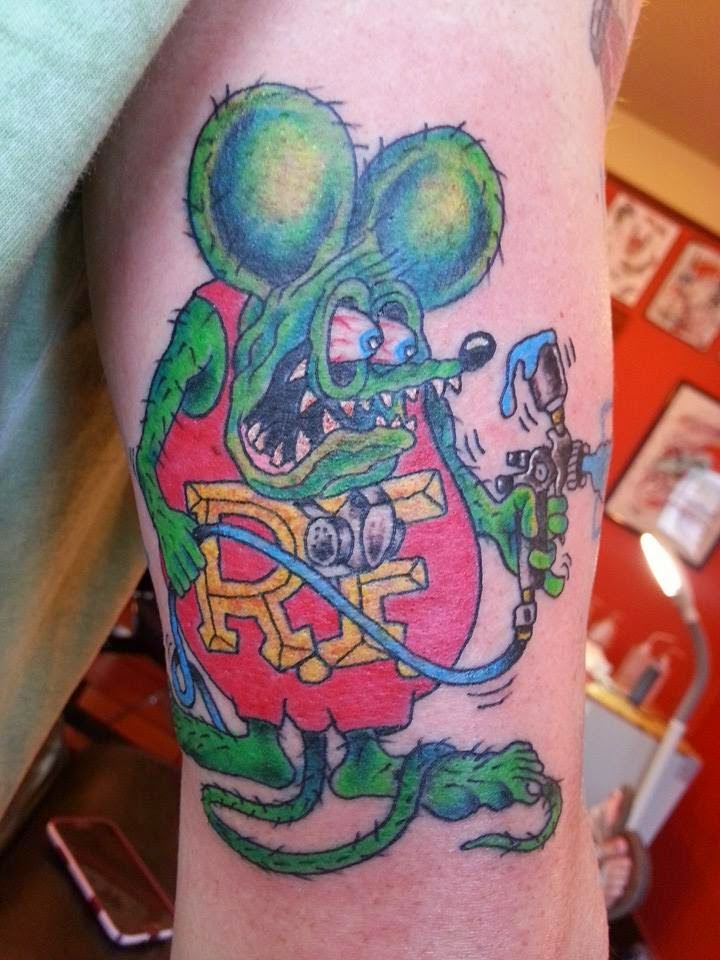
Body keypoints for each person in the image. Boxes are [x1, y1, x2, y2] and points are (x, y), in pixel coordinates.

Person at [2, 2, 640, 957]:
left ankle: (360, 757)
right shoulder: (225, 325)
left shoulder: (391, 350)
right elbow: (436, 928)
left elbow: (449, 471)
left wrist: (503, 516)